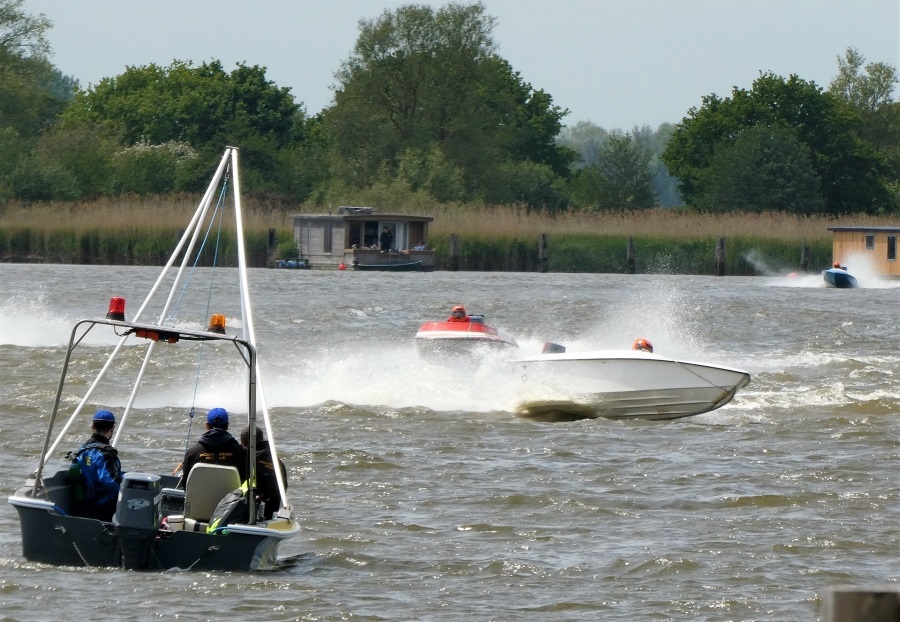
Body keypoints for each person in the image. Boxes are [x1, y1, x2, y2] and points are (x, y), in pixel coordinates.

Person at [69, 409, 123, 521]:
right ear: (112, 428)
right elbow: (109, 481)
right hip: (103, 506)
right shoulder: (105, 453)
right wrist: (127, 493)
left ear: (93, 427)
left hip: (84, 504)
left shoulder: (82, 449)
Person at [177, 407, 246, 487]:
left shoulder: (192, 453)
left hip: (199, 499)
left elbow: (185, 483)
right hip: (232, 499)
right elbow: (245, 480)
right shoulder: (241, 452)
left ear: (207, 426)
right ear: (227, 425)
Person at [240, 427, 288, 519]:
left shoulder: (246, 459)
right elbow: (284, 488)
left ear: (243, 443)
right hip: (272, 512)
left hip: (250, 512)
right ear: (261, 439)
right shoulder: (278, 462)